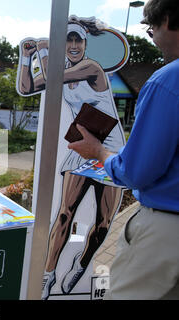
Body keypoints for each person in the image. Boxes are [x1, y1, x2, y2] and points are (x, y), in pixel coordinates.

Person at [68, 0, 179, 299]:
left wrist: (99, 152)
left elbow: (137, 172)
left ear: (168, 19)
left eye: (152, 27)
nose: (151, 37)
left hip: (166, 230)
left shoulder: (168, 80)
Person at [19, 16, 127, 299]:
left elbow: (47, 78)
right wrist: (26, 56)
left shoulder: (91, 68)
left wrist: (45, 50)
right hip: (81, 147)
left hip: (109, 148)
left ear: (86, 42)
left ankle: (81, 264)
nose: (74, 44)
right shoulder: (62, 71)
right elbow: (29, 87)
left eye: (78, 39)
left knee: (104, 223)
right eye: (67, 39)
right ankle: (47, 276)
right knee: (65, 214)